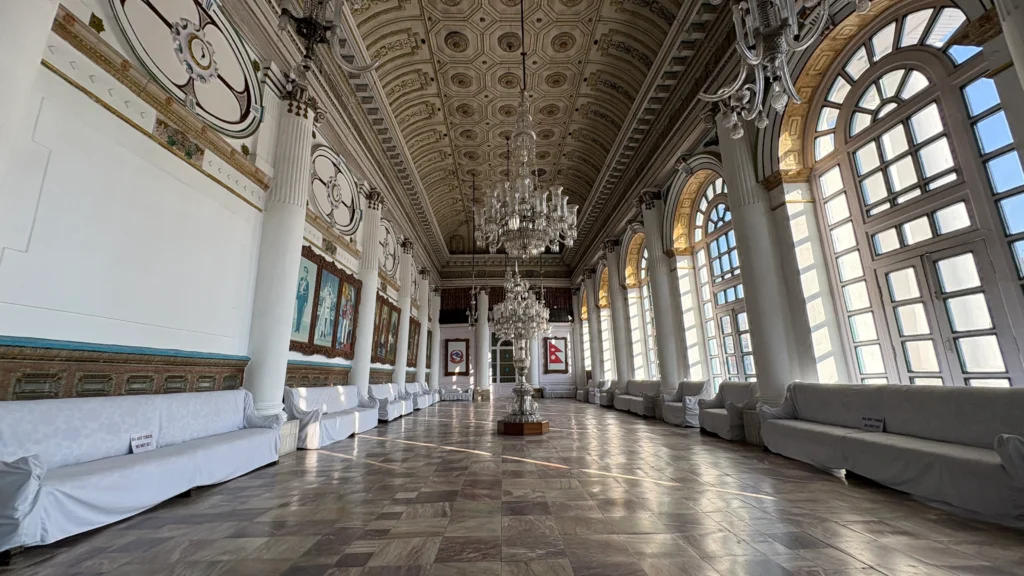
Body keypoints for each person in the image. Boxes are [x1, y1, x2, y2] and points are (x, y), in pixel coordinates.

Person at [294, 266, 310, 334]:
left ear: (307, 274)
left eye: (305, 272)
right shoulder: (301, 279)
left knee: (301, 315)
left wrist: (306, 301)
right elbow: (298, 288)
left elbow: (308, 292)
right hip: (300, 297)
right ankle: (296, 328)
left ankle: (299, 329)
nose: (304, 273)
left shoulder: (307, 282)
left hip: (303, 299)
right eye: (304, 271)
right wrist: (297, 297)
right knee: (298, 313)